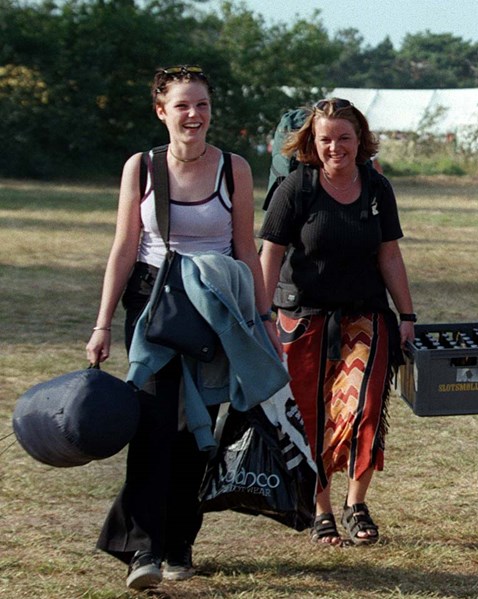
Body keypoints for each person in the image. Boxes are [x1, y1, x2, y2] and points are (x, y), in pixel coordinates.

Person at [85, 65, 278, 590]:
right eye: (183, 106)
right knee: (150, 424)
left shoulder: (233, 168)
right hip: (152, 303)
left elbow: (244, 248)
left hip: (213, 308)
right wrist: (103, 324)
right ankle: (141, 550)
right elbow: (124, 245)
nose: (194, 115)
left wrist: (263, 320)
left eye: (203, 105)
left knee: (196, 430)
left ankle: (179, 543)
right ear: (161, 111)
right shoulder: (141, 168)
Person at [259, 98, 416, 548]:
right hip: (303, 316)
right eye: (325, 139)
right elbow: (269, 252)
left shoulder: (376, 187)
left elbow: (389, 253)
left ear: (360, 140)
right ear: (312, 141)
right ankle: (321, 510)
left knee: (364, 408)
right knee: (312, 414)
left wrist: (407, 315)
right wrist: (263, 315)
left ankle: (356, 503)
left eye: (344, 138)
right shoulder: (296, 188)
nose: (335, 147)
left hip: (364, 313)